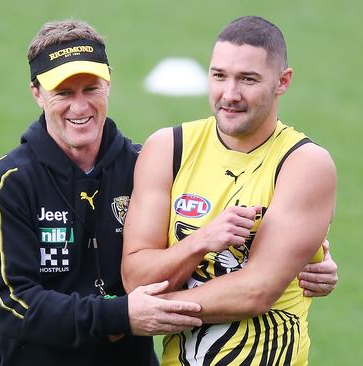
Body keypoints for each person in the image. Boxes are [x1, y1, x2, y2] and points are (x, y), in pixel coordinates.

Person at [0, 18, 337, 366]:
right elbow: (11, 305)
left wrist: (302, 263)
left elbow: (259, 262)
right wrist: (122, 316)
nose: (79, 106)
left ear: (109, 82)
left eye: (91, 88)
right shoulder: (5, 183)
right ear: (37, 93)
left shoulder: (142, 164)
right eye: (63, 92)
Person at [121, 16, 337, 366]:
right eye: (219, 76)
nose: (230, 94)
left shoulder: (304, 164)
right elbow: (136, 277)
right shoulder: (168, 148)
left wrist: (148, 310)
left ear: (282, 82)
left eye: (247, 79)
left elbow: (256, 291)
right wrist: (202, 241)